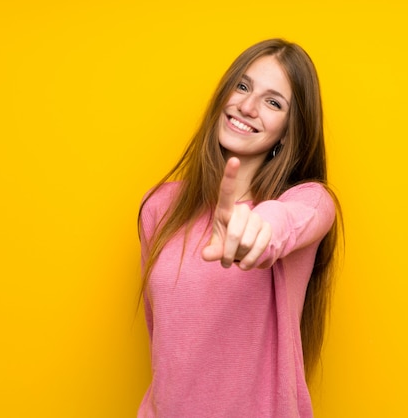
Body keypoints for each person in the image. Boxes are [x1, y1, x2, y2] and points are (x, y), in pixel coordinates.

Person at [137, 38, 342, 418]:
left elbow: (283, 225)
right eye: (243, 86)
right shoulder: (159, 208)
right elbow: (163, 346)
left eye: (273, 102)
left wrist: (256, 232)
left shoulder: (310, 202)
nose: (247, 107)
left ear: (287, 131)